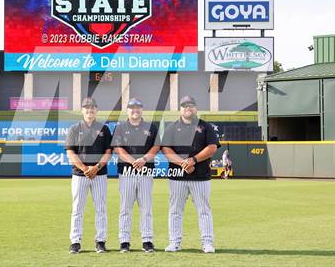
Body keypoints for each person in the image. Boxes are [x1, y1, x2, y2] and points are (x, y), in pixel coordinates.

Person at [161, 95, 220, 253]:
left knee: (204, 211)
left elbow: (212, 147)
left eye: (191, 105)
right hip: (177, 176)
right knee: (175, 210)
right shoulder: (171, 127)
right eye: (184, 105)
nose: (188, 107)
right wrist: (183, 163)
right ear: (180, 108)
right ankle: (174, 242)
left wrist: (193, 160)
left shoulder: (206, 126)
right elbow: (166, 149)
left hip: (200, 176)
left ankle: (207, 243)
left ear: (196, 108)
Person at [112, 98, 160, 253]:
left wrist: (144, 159)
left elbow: (156, 146)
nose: (135, 110)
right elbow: (118, 148)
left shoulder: (151, 127)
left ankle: (147, 240)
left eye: (138, 107)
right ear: (127, 110)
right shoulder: (120, 127)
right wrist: (134, 161)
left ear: (142, 109)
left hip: (146, 171)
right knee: (125, 208)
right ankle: (124, 241)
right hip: (126, 172)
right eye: (132, 108)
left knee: (146, 207)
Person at [65, 97, 112, 254]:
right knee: (77, 208)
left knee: (101, 208)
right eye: (87, 108)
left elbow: (108, 152)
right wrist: (86, 168)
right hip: (80, 174)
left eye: (92, 108)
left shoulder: (104, 129)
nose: (89, 110)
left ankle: (100, 241)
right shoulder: (73, 129)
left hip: (99, 174)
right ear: (82, 110)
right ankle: (75, 242)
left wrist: (97, 167)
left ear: (96, 110)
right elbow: (70, 153)